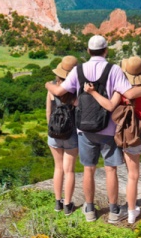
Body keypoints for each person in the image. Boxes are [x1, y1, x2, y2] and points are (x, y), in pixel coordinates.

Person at [44, 35, 141, 223]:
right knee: (110, 170)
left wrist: (48, 84)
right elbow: (129, 93)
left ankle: (89, 209)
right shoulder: (114, 70)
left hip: (84, 129)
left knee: (89, 169)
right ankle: (113, 211)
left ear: (88, 51)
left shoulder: (78, 70)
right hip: (108, 128)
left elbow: (60, 92)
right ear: (106, 50)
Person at [85, 56, 141, 223]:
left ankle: (132, 213)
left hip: (129, 135)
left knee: (132, 176)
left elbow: (109, 106)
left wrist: (92, 92)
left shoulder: (120, 92)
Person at [46, 55, 79, 215]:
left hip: (54, 134)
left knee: (58, 168)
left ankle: (57, 202)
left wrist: (52, 129)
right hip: (71, 134)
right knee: (69, 170)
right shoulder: (76, 90)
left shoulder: (51, 88)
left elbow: (48, 112)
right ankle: (67, 205)